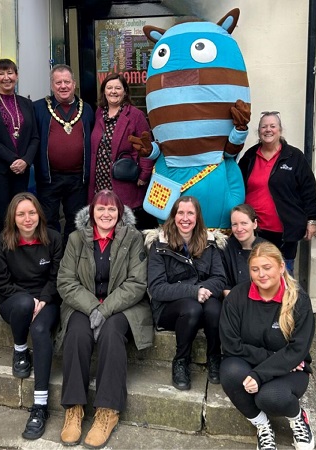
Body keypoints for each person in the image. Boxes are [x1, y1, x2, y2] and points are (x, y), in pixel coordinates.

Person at [56, 189, 152, 448]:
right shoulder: (76, 239)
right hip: (83, 304)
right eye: (101, 208)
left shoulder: (133, 238)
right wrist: (91, 308)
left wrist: (105, 309)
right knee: (76, 332)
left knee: (111, 333)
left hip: (123, 306)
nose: (106, 214)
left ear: (120, 213)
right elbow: (65, 281)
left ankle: (108, 410)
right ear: (92, 212)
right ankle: (74, 408)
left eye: (112, 209)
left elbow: (136, 283)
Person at [219, 241, 315, 450]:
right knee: (229, 371)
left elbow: (297, 351)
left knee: (270, 397)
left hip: (291, 369)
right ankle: (262, 425)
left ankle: (299, 418)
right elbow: (231, 345)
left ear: (281, 267)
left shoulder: (299, 300)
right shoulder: (237, 297)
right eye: (255, 269)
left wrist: (259, 375)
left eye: (267, 267)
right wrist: (269, 360)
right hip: (264, 362)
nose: (261, 274)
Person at [0, 192, 62, 439]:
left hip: (46, 298)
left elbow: (57, 276)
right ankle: (20, 348)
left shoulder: (53, 238)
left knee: (41, 331)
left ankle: (40, 405)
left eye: (32, 213)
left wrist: (43, 298)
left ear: (39, 215)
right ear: (13, 217)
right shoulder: (1, 242)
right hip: (14, 298)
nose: (27, 218)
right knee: (22, 304)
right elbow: (0, 281)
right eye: (21, 214)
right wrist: (29, 299)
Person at [147, 196, 226, 390]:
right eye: (180, 213)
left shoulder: (209, 244)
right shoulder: (159, 245)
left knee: (215, 309)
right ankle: (181, 361)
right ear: (173, 216)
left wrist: (204, 290)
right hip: (169, 309)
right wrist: (193, 291)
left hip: (203, 302)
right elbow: (156, 288)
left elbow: (219, 278)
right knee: (191, 308)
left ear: (197, 217)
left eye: (190, 213)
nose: (185, 218)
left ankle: (214, 356)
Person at [238, 111, 316, 275]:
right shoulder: (249, 157)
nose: (268, 130)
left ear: (280, 130)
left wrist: (312, 220)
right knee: (256, 275)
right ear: (259, 131)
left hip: (284, 232)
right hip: (255, 231)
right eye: (264, 127)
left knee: (284, 278)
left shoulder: (294, 157)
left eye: (272, 126)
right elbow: (237, 186)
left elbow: (308, 189)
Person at [0, 58, 39, 239]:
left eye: (10, 73)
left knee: (21, 217)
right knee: (1, 218)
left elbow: (35, 137)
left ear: (17, 76)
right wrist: (13, 159)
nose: (6, 77)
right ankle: (0, 263)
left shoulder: (26, 104)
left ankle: (19, 260)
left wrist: (25, 160)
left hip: (22, 171)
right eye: (1, 73)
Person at [33, 64, 94, 246]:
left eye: (67, 81)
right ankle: (53, 260)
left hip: (77, 179)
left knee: (76, 222)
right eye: (58, 82)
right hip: (49, 178)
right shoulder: (39, 108)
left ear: (74, 84)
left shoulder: (87, 109)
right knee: (49, 221)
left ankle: (71, 261)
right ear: (52, 85)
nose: (63, 86)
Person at [88, 73, 156, 230]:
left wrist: (144, 174)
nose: (113, 91)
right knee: (104, 221)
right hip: (101, 181)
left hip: (125, 181)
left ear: (125, 91)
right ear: (103, 91)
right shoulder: (99, 113)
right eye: (109, 87)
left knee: (125, 226)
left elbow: (146, 146)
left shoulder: (135, 115)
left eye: (118, 88)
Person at [221, 203, 266, 297]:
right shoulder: (226, 247)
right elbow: (224, 282)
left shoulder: (267, 249)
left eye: (244, 223)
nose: (239, 229)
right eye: (234, 224)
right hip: (232, 300)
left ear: (255, 224)